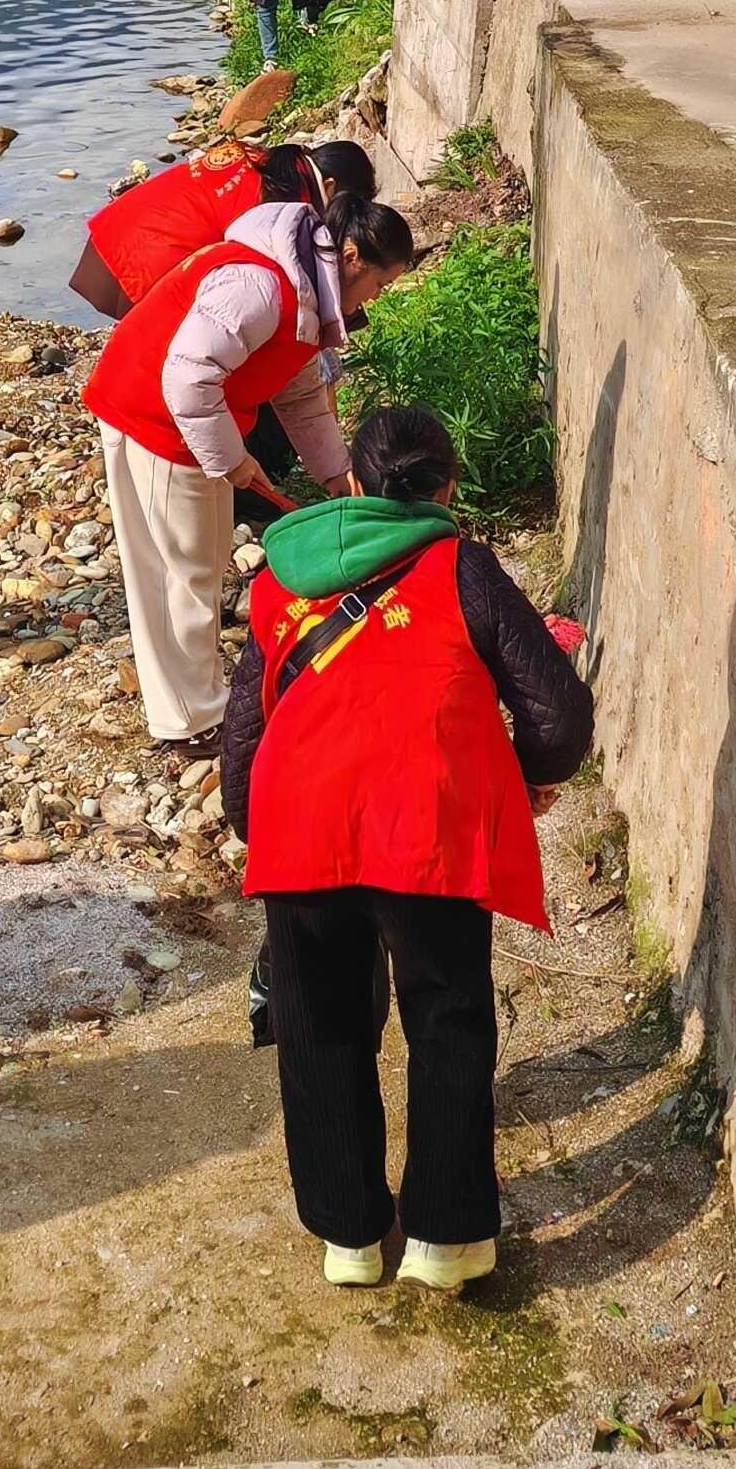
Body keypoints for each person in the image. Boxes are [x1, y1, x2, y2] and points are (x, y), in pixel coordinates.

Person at [221, 404, 593, 1293]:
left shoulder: (283, 575)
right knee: (446, 1017)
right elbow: (557, 712)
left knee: (319, 1025)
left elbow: (244, 734)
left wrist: (255, 827)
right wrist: (525, 775)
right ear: (448, 488)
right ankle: (444, 1239)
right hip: (425, 827)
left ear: (353, 481)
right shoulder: (464, 568)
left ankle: (347, 1236)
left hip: (303, 823)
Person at [85, 184, 419, 747]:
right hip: (153, 415)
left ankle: (194, 696)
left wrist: (337, 475)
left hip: (194, 419)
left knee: (206, 556)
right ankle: (190, 720)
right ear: (352, 258)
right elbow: (187, 377)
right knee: (180, 569)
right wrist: (234, 462)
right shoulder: (260, 285)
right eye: (381, 284)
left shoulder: (306, 288)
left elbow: (300, 393)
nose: (378, 297)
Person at [70, 139, 380, 322]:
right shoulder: (285, 202)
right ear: (330, 186)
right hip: (139, 262)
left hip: (113, 233)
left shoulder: (265, 161)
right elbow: (296, 287)